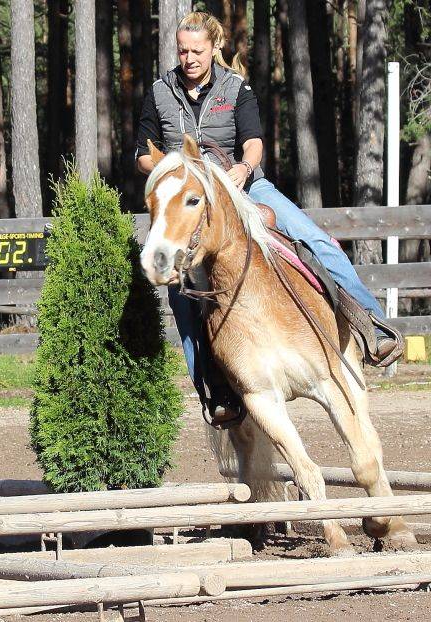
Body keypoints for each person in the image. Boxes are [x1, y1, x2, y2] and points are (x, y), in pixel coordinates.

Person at [134, 11, 401, 425]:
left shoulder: (235, 87)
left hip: (242, 185)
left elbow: (254, 142)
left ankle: (371, 324)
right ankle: (216, 391)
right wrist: (174, 170)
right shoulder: (159, 91)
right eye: (183, 50)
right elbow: (142, 155)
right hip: (190, 198)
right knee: (181, 296)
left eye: (197, 51)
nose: (189, 58)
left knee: (315, 240)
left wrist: (243, 169)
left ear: (214, 48)